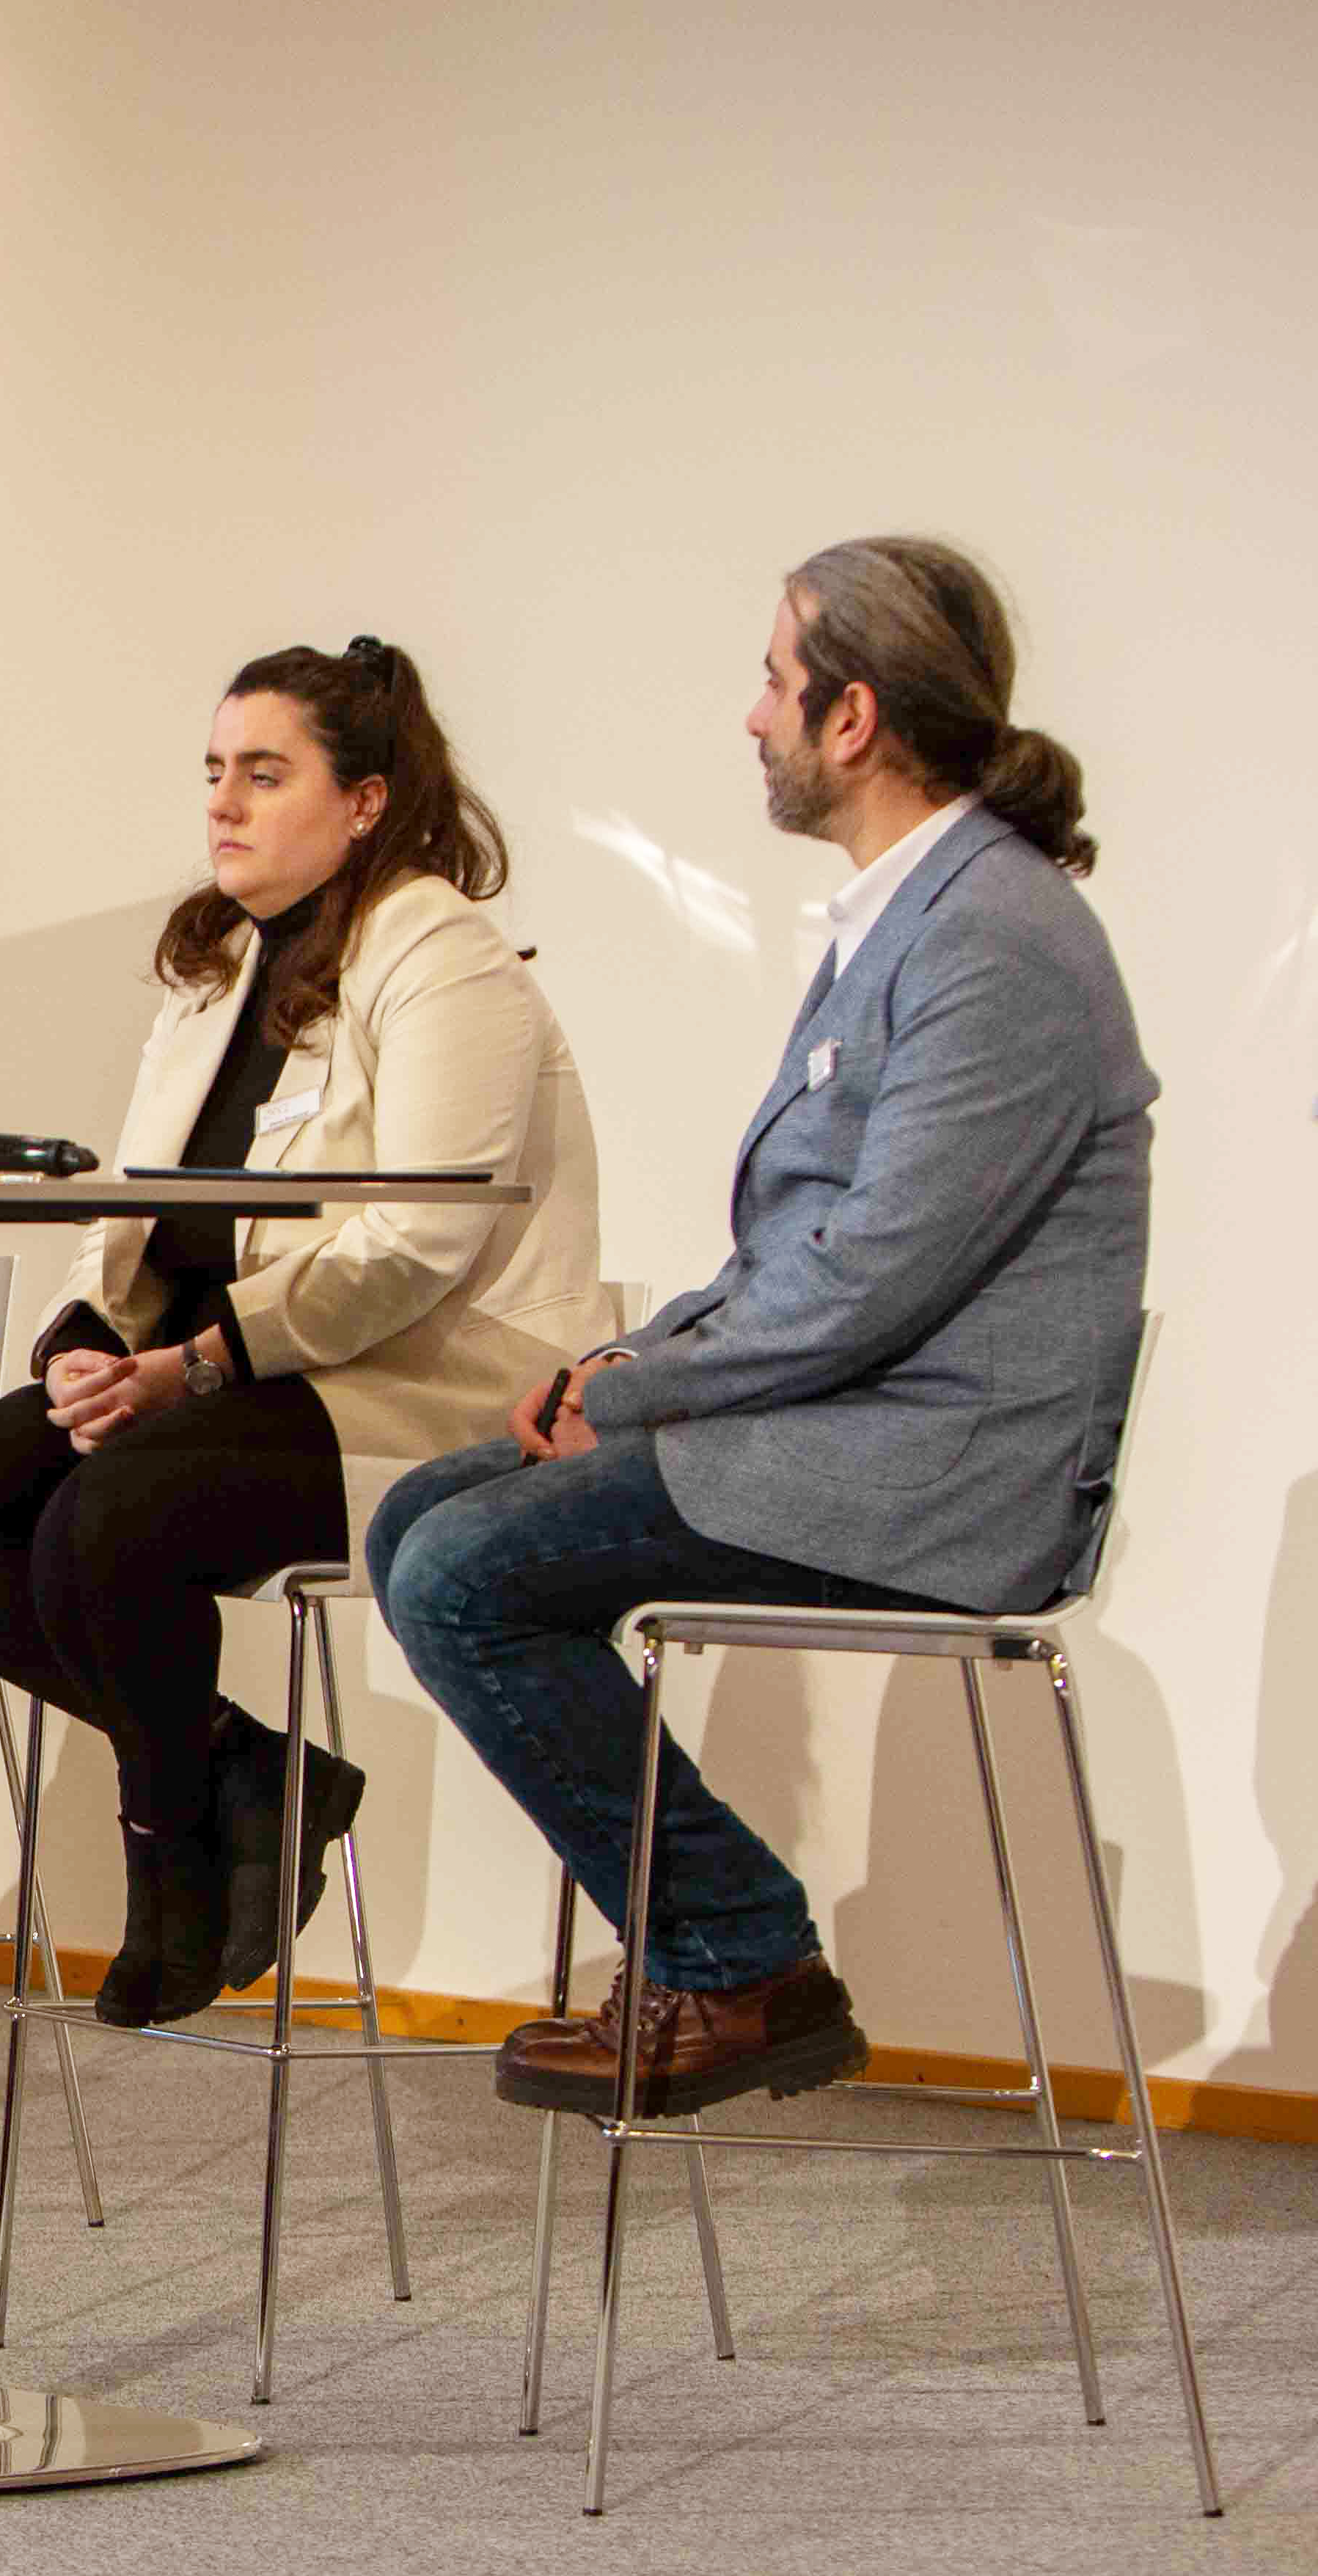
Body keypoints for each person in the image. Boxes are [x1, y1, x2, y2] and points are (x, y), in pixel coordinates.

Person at [370, 537, 1152, 2117]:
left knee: (463, 1574)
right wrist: (622, 1364)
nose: (749, 718)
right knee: (419, 1518)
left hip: (935, 1469)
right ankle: (726, 1957)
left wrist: (646, 1389)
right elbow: (800, 1243)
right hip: (862, 1424)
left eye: (770, 682)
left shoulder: (987, 936)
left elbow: (870, 1274)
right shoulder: (914, 914)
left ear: (849, 718)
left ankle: (735, 1963)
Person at [0, 640, 603, 2027]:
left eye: (265, 774)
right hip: (206, 1369)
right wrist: (87, 1334)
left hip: (413, 1386)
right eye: (215, 772)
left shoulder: (442, 951)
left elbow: (418, 1240)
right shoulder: (213, 970)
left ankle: (168, 1869)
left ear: (365, 801)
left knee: (112, 1512)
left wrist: (192, 1363)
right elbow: (138, 1208)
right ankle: (240, 1772)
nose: (224, 804)